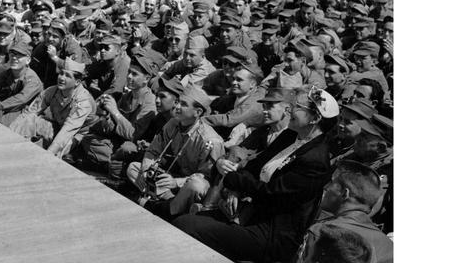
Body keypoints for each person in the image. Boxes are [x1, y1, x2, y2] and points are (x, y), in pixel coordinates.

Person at [172, 85, 339, 262]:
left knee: (187, 226)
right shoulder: (291, 135)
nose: (290, 109)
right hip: (248, 211)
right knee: (187, 221)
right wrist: (235, 190)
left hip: (271, 233)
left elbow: (270, 192)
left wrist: (233, 180)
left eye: (298, 107)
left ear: (314, 119)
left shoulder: (315, 161)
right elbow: (254, 166)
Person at [126, 83, 225, 220]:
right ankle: (170, 203)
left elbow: (208, 178)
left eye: (183, 104)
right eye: (177, 102)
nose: (176, 107)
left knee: (196, 185)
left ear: (198, 112)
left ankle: (163, 208)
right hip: (173, 179)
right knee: (134, 168)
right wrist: (146, 170)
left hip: (190, 185)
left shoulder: (210, 140)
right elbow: (153, 151)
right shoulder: (172, 124)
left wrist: (175, 182)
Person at [296, 160, 393, 263]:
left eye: (332, 183)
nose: (326, 187)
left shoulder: (323, 233)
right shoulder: (388, 245)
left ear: (344, 193)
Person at [9, 58, 97, 157]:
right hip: (59, 126)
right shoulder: (52, 91)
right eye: (61, 73)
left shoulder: (83, 101)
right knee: (29, 119)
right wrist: (12, 135)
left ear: (77, 82)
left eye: (67, 76)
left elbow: (69, 129)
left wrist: (50, 152)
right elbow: (31, 112)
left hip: (77, 134)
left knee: (58, 152)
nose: (62, 78)